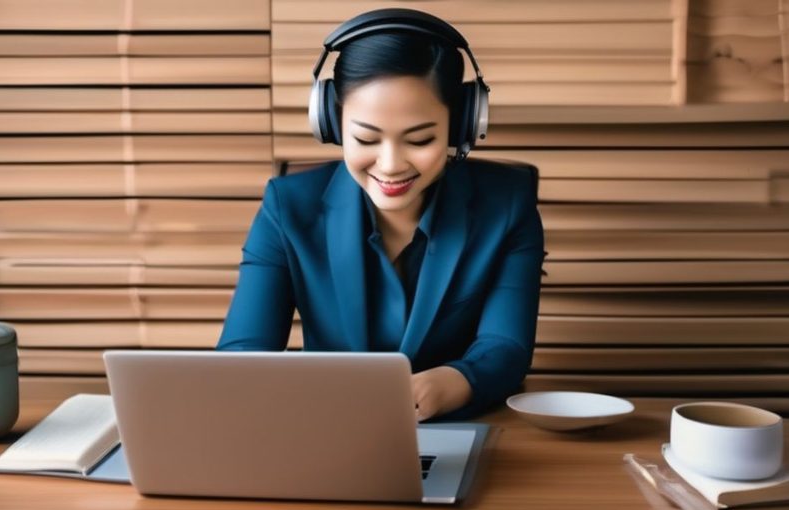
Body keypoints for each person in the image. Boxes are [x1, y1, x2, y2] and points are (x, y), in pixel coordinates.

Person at [216, 8, 546, 422]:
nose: (390, 165)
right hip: (324, 426)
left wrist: (455, 381)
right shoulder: (287, 207)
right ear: (331, 123)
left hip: (459, 428)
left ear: (462, 125)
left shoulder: (507, 205)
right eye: (366, 138)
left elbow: (506, 346)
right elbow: (243, 353)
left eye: (421, 139)